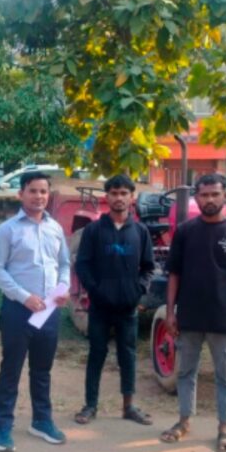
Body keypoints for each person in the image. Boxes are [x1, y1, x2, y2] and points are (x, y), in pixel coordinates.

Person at [159, 173, 226, 452]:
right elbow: (174, 273)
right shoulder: (185, 232)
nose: (210, 199)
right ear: (196, 198)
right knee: (186, 372)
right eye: (204, 195)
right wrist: (170, 312)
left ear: (225, 195)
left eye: (215, 194)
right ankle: (183, 422)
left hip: (223, 318)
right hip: (189, 316)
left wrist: (221, 289)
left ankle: (224, 428)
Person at [0, 171, 70, 452]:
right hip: (17, 311)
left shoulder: (55, 228)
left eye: (43, 191)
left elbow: (64, 263)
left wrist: (63, 287)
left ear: (49, 195)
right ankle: (2, 427)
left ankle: (42, 421)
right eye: (33, 191)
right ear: (21, 194)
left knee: (42, 369)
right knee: (11, 369)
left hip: (49, 311)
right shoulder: (7, 230)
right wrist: (24, 298)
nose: (39, 196)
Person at [73, 174, 155, 426]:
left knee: (127, 355)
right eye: (114, 193)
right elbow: (82, 265)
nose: (119, 198)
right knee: (96, 354)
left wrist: (138, 291)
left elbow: (148, 267)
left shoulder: (140, 232)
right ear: (106, 197)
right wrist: (95, 291)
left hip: (128, 308)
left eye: (123, 193)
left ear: (132, 197)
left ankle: (129, 407)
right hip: (100, 307)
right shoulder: (94, 231)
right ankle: (90, 405)